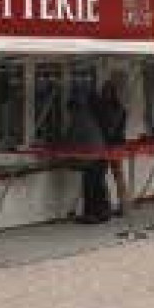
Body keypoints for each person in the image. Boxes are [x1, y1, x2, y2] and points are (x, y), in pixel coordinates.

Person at [63, 93, 111, 223]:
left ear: (73, 109)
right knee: (99, 186)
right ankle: (103, 212)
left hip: (91, 159)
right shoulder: (90, 117)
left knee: (90, 187)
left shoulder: (78, 119)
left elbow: (70, 140)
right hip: (102, 156)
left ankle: (91, 215)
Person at [96, 78, 128, 216]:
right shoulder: (120, 108)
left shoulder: (104, 109)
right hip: (118, 143)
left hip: (107, 144)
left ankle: (107, 204)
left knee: (103, 175)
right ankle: (123, 205)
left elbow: (109, 128)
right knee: (118, 175)